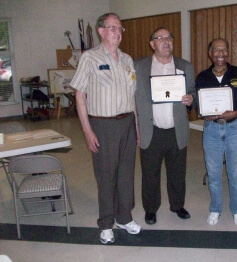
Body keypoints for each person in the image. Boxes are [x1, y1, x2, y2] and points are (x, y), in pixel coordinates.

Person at [70, 13, 141, 244]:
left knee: (126, 174)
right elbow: (80, 96)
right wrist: (88, 130)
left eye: (120, 29)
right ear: (101, 31)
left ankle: (124, 217)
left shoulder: (127, 59)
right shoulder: (89, 58)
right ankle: (106, 223)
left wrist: (137, 128)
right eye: (112, 28)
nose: (117, 33)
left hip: (127, 122)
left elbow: (132, 99)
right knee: (106, 176)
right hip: (103, 124)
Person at [134, 27, 195, 225]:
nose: (166, 41)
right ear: (152, 44)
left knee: (177, 173)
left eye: (169, 37)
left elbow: (193, 90)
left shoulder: (185, 66)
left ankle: (177, 205)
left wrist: (190, 98)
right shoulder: (139, 66)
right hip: (151, 130)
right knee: (150, 174)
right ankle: (151, 209)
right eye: (160, 38)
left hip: (176, 130)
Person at [195, 38, 237, 226]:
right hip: (211, 129)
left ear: (228, 52)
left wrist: (236, 112)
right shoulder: (202, 77)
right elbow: (199, 104)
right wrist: (205, 114)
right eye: (217, 51)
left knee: (235, 173)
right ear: (210, 53)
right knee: (213, 173)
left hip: (233, 128)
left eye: (224, 50)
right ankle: (215, 209)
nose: (221, 54)